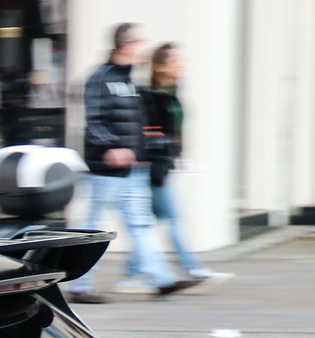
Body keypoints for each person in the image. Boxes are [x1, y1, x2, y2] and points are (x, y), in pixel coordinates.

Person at [70, 24, 191, 303]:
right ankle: (80, 285)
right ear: (125, 44)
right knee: (92, 227)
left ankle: (161, 278)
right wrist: (112, 147)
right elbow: (93, 121)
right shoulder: (100, 79)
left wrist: (146, 150)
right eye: (139, 42)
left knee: (139, 223)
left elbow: (137, 124)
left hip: (132, 169)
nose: (143, 47)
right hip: (105, 170)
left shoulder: (130, 82)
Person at [142, 43, 218, 285]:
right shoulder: (153, 97)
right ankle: (192, 267)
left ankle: (130, 274)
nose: (183, 65)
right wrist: (161, 167)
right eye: (176, 61)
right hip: (156, 168)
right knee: (174, 217)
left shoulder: (172, 93)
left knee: (148, 222)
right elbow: (153, 136)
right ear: (162, 67)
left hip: (164, 165)